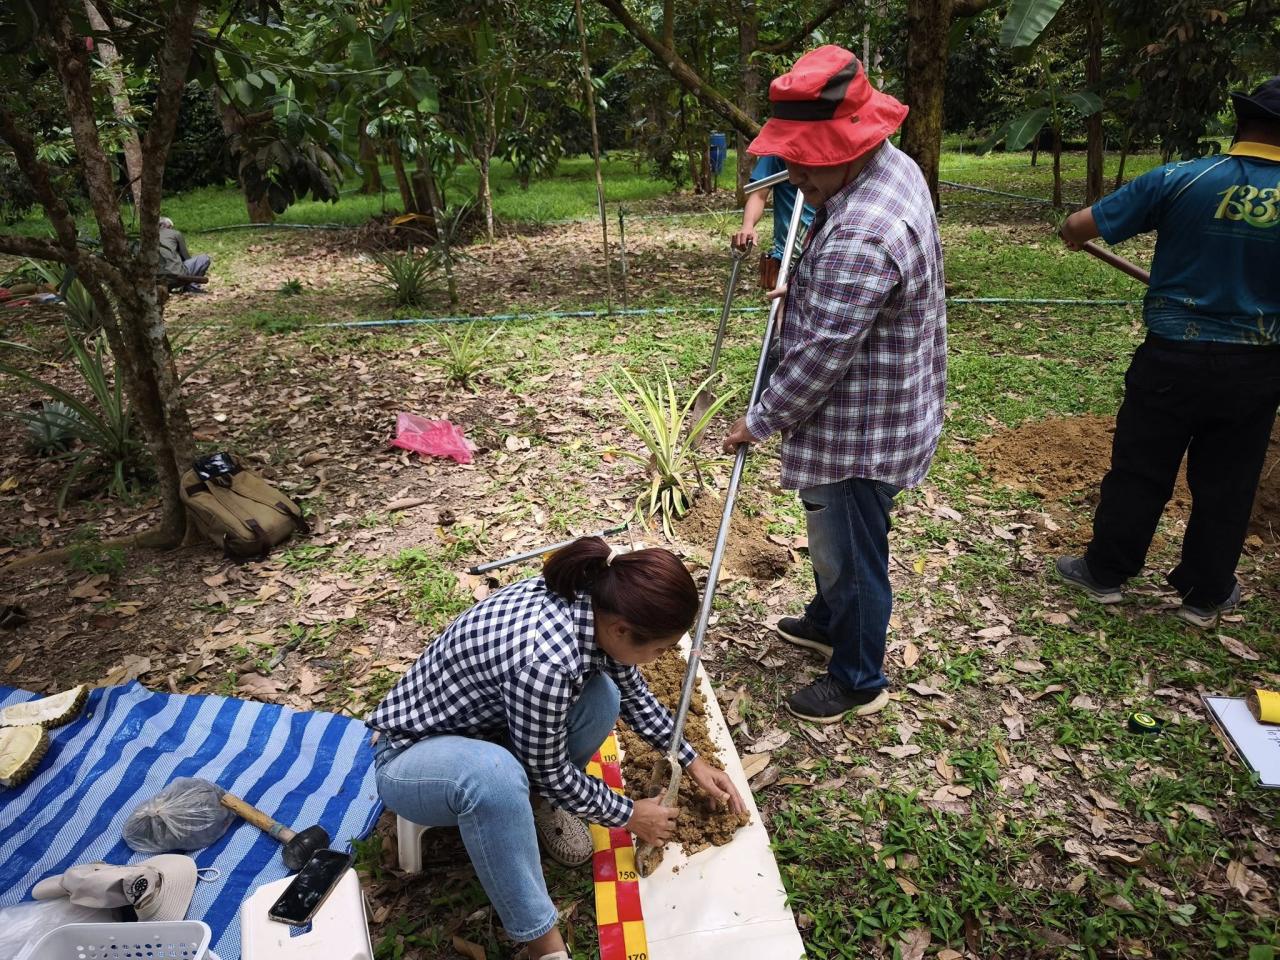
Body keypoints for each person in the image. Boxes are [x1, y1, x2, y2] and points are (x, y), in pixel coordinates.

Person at [366, 538, 745, 960]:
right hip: (411, 757)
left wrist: (692, 761)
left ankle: (533, 803)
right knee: (495, 775)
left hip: (488, 729)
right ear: (622, 629)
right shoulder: (547, 662)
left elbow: (634, 694)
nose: (658, 659)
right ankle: (543, 946)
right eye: (657, 649)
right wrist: (630, 815)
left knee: (604, 695)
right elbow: (550, 770)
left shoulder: (594, 600)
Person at [720, 45, 947, 724]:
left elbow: (819, 357)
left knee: (852, 548)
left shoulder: (864, 232)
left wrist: (757, 420)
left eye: (805, 158)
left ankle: (857, 676)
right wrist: (809, 282)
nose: (793, 173)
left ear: (849, 144)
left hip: (862, 424)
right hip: (884, 397)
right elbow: (842, 305)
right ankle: (827, 617)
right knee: (833, 531)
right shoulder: (886, 167)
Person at [1055, 76, 1280, 627]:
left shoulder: (1184, 177)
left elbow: (1075, 228)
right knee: (1230, 481)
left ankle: (1105, 573)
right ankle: (1206, 594)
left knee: (1140, 468)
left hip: (1172, 357)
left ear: (1240, 124)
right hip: (1257, 366)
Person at [733, 154, 816, 289]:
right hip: (790, 256)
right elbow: (759, 195)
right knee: (784, 306)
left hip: (830, 250)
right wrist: (748, 225)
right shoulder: (778, 149)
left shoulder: (840, 144)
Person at [158, 217, 210, 292]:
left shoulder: (147, 237)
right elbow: (186, 257)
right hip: (177, 277)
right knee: (204, 258)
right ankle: (192, 287)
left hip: (156, 281)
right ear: (169, 226)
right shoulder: (175, 233)